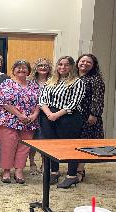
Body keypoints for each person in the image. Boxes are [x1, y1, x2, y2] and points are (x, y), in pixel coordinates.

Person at [39, 56, 86, 189]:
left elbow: (74, 103)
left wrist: (56, 115)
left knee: (70, 146)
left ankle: (72, 176)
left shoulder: (77, 82)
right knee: (52, 146)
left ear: (72, 67)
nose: (62, 67)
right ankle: (54, 172)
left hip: (68, 117)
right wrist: (49, 114)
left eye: (66, 65)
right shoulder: (51, 80)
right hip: (48, 116)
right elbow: (42, 99)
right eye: (60, 64)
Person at [0, 60, 40, 184]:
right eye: (18, 68)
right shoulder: (7, 83)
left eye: (24, 68)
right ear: (13, 70)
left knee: (24, 147)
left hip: (29, 121)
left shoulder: (34, 85)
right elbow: (4, 102)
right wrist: (19, 115)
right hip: (9, 120)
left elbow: (39, 102)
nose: (21, 70)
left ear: (29, 71)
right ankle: (6, 171)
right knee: (8, 146)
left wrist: (35, 115)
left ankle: (19, 170)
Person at [76, 54, 105, 181]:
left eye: (89, 62)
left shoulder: (96, 79)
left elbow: (98, 98)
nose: (85, 63)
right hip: (74, 115)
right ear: (78, 62)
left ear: (93, 65)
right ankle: (74, 167)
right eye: (82, 61)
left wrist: (94, 114)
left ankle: (80, 169)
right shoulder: (73, 77)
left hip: (88, 116)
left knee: (84, 142)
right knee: (75, 142)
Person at [28, 58, 52, 175]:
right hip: (32, 115)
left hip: (48, 115)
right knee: (32, 140)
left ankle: (44, 163)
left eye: (45, 66)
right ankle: (32, 163)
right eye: (40, 65)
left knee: (45, 140)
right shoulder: (30, 81)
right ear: (36, 68)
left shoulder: (53, 81)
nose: (43, 67)